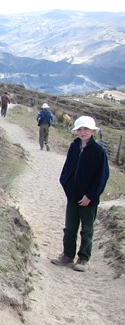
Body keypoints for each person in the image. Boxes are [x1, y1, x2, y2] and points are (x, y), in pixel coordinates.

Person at [51, 116, 109, 272]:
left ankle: (83, 259)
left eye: (86, 129)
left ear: (92, 131)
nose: (83, 132)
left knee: (87, 229)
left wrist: (90, 196)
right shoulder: (73, 147)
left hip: (89, 199)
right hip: (73, 196)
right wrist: (68, 189)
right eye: (80, 129)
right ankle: (67, 255)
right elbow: (66, 171)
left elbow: (102, 176)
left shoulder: (98, 151)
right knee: (70, 227)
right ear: (76, 131)